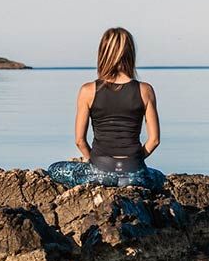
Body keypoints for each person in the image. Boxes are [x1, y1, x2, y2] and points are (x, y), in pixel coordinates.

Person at [47, 27, 166, 190]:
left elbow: (79, 141)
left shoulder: (87, 91)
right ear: (130, 54)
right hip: (135, 174)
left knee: (54, 168)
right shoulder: (145, 90)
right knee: (159, 176)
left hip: (100, 172)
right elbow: (154, 140)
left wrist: (95, 162)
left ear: (103, 53)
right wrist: (135, 161)